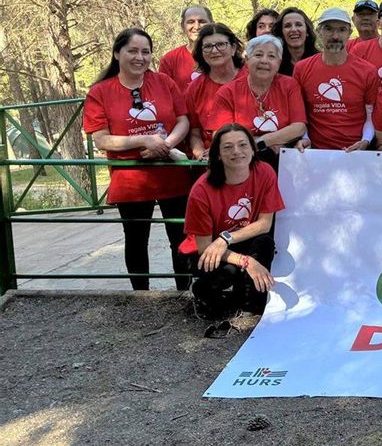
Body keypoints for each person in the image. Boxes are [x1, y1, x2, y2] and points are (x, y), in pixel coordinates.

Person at [84, 28, 192, 291]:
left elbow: (183, 120)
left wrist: (164, 145)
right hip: (131, 179)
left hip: (171, 174)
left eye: (145, 52)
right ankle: (141, 295)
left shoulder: (165, 82)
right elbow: (102, 139)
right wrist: (144, 141)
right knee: (135, 238)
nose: (140, 57)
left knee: (179, 236)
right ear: (117, 53)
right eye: (132, 51)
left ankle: (183, 291)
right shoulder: (100, 92)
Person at [185, 123, 281, 319]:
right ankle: (202, 290)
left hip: (234, 240)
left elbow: (265, 224)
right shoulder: (201, 190)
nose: (237, 152)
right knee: (225, 273)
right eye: (228, 147)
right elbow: (205, 248)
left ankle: (251, 303)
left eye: (243, 145)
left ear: (253, 150)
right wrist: (245, 261)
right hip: (207, 249)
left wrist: (225, 238)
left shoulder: (265, 172)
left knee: (265, 243)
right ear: (218, 154)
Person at [211, 35, 306, 170]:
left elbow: (298, 127)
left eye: (271, 56)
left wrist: (263, 141)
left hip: (284, 161)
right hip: (241, 163)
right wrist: (266, 144)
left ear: (279, 63)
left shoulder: (289, 85)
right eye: (258, 55)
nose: (264, 61)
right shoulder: (228, 92)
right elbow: (221, 135)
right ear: (247, 60)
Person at [293, 8, 379, 151]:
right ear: (319, 31)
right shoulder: (302, 69)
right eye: (328, 29)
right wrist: (305, 139)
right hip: (315, 152)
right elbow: (300, 114)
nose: (335, 35)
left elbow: (371, 116)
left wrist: (365, 141)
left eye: (342, 30)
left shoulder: (367, 71)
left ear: (349, 33)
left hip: (355, 152)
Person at [186, 23, 247, 159]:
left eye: (220, 44)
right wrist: (200, 152)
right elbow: (194, 133)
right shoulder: (195, 88)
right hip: (212, 161)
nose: (214, 51)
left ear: (233, 48)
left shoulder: (251, 77)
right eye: (208, 47)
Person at [157, 5, 212, 93]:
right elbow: (164, 95)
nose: (197, 26)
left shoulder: (223, 56)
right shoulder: (170, 60)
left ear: (212, 24)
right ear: (183, 26)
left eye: (202, 21)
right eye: (191, 22)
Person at [272, 7, 318, 76]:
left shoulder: (320, 61)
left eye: (298, 25)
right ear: (281, 33)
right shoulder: (274, 63)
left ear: (307, 31)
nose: (293, 29)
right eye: (287, 26)